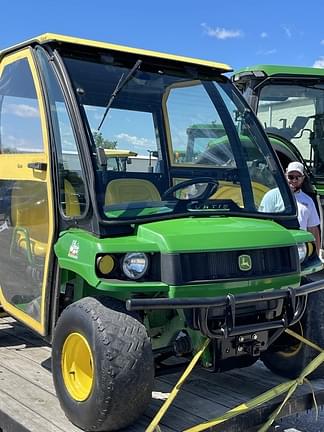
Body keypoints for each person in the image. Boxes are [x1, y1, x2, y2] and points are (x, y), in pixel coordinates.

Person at [259, 161, 321, 253]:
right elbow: (263, 225)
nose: (294, 180)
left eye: (297, 177)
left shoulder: (308, 201)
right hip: (277, 247)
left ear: (303, 178)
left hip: (300, 249)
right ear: (285, 175)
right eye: (291, 177)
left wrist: (317, 254)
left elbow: (313, 229)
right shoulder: (271, 196)